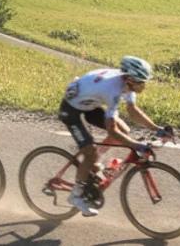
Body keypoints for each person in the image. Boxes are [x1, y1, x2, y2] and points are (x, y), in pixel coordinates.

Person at [59, 56, 171, 217]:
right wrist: (136, 145)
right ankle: (76, 195)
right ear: (129, 79)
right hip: (71, 110)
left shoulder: (126, 84)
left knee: (124, 132)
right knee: (91, 152)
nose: (143, 85)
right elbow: (112, 131)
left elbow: (132, 111)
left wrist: (157, 128)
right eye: (141, 81)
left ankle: (93, 163)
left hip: (90, 104)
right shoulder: (113, 90)